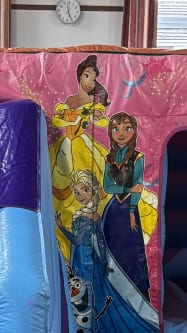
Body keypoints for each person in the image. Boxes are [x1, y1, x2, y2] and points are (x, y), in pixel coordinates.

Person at [50, 55, 110, 210]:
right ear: (80, 76)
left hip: (81, 140)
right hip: (67, 139)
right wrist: (67, 120)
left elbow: (102, 121)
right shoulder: (69, 101)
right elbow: (57, 120)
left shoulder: (93, 103)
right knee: (61, 166)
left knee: (97, 162)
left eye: (94, 80)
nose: (90, 83)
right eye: (87, 76)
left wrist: (96, 117)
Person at [101, 111, 150, 296]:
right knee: (111, 248)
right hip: (113, 211)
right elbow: (108, 187)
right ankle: (111, 289)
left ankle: (136, 292)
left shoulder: (138, 158)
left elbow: (138, 186)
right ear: (110, 132)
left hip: (129, 209)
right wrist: (129, 189)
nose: (121, 133)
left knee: (132, 250)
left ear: (134, 131)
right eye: (116, 129)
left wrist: (131, 211)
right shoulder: (109, 159)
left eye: (126, 128)